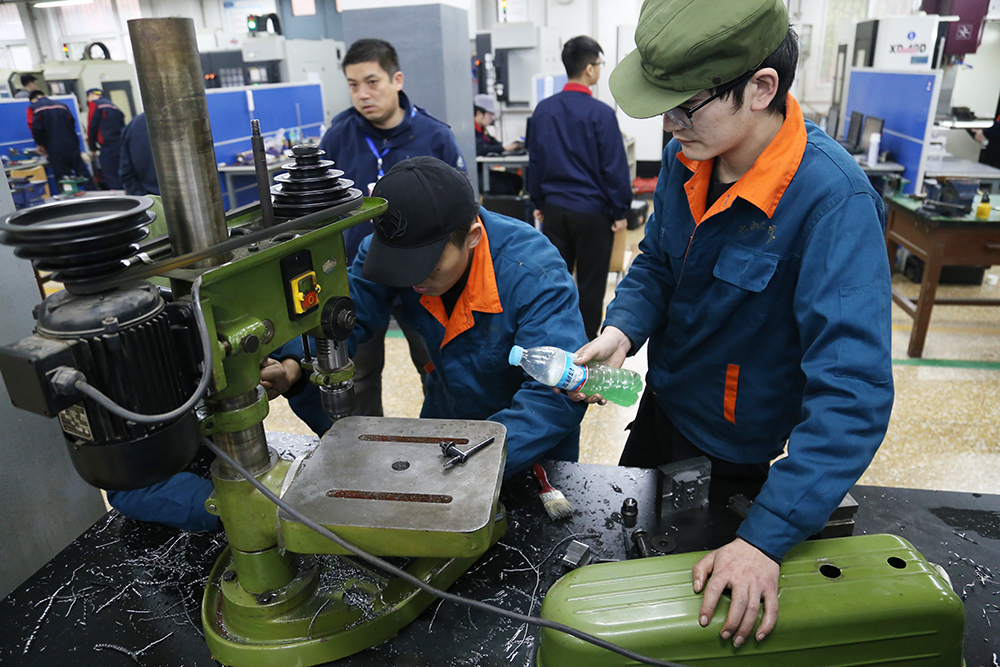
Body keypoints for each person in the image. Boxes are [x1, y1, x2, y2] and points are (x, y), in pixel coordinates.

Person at [571, 0, 893, 649]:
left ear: (761, 88)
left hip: (738, 454)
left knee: (693, 627)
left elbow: (852, 395)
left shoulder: (833, 202)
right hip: (661, 411)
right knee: (622, 571)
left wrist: (765, 538)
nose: (669, 125)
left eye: (685, 107)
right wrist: (622, 330)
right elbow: (657, 261)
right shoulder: (688, 156)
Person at [269, 156, 589, 478]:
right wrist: (293, 364)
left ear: (472, 237)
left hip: (529, 444)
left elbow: (554, 397)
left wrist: (471, 461)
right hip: (447, 419)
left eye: (427, 263)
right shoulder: (394, 250)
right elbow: (345, 318)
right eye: (402, 263)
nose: (412, 278)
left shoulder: (534, 273)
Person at [309, 38, 467, 419]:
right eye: (353, 85)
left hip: (425, 278)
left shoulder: (435, 136)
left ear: (397, 80)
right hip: (361, 278)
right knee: (358, 376)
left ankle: (449, 437)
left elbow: (462, 211)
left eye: (372, 82)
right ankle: (364, 445)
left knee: (438, 368)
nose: (362, 94)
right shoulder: (338, 137)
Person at [527, 36, 632, 340]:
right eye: (599, 64)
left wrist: (539, 202)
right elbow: (614, 168)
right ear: (589, 69)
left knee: (555, 280)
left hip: (555, 211)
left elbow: (535, 160)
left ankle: (556, 341)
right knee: (591, 285)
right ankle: (584, 348)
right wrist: (620, 210)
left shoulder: (543, 111)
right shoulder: (602, 114)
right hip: (593, 214)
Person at [26, 90, 95, 188]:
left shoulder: (33, 108)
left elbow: (35, 127)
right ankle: (94, 193)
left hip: (54, 146)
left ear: (32, 100)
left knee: (64, 178)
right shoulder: (62, 105)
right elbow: (71, 123)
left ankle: (70, 196)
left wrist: (40, 144)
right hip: (71, 144)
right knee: (83, 173)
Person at [87, 88, 126, 190]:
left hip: (107, 146)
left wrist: (92, 147)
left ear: (90, 95)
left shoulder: (94, 104)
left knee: (111, 175)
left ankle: (118, 196)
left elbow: (92, 126)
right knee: (123, 173)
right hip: (121, 145)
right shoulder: (114, 106)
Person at [119, 112, 160, 196]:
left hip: (150, 196)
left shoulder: (133, 126)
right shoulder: (185, 119)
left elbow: (126, 173)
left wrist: (145, 198)